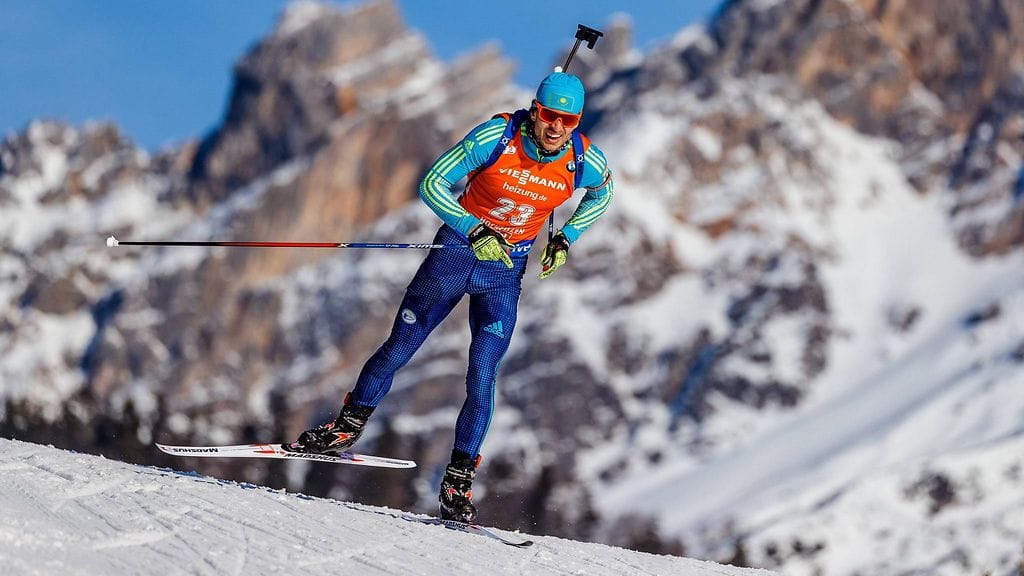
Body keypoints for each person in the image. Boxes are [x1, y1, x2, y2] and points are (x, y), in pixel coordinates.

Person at [287, 72, 614, 523]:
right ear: (535, 110)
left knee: (483, 373)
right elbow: (432, 183)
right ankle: (345, 429)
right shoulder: (496, 137)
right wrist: (474, 229)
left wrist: (566, 237)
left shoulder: (581, 160)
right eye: (550, 116)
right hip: (457, 255)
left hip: (504, 272)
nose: (557, 127)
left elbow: (604, 192)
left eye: (569, 119)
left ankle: (458, 481)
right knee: (401, 346)